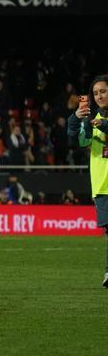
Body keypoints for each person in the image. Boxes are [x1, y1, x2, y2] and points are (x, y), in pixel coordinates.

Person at [67, 74, 108, 288]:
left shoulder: (100, 120)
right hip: (102, 183)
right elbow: (79, 140)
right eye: (96, 93)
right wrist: (76, 117)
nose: (99, 96)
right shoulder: (91, 117)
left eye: (103, 91)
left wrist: (104, 124)